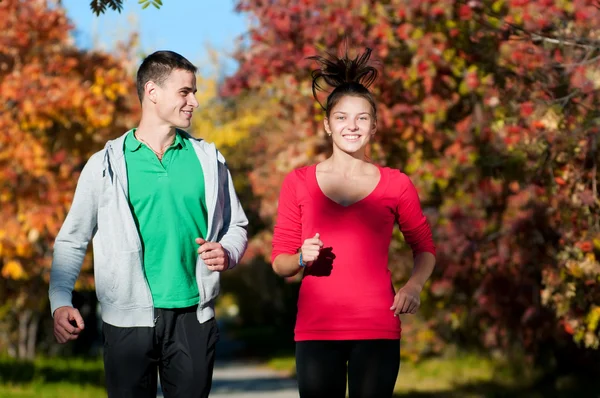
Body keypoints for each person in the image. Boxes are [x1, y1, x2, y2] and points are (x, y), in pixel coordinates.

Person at [49, 50, 248, 398]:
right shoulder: (106, 164)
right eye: (185, 92)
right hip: (125, 321)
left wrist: (227, 251)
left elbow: (238, 226)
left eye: (194, 92)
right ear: (152, 92)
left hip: (192, 316)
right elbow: (72, 239)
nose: (195, 102)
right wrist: (60, 300)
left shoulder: (208, 159)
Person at [271, 47, 436, 398]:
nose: (352, 126)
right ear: (327, 124)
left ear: (374, 127)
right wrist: (301, 257)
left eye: (362, 119)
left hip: (377, 327)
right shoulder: (297, 182)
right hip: (317, 330)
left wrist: (414, 286)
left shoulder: (397, 184)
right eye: (343, 118)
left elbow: (424, 248)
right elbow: (280, 263)